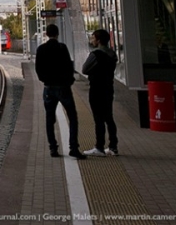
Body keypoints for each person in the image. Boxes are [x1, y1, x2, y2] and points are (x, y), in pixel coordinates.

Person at [35, 23, 86, 159]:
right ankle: (73, 148)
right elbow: (69, 66)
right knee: (73, 118)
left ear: (46, 34)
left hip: (48, 88)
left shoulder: (41, 49)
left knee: (49, 119)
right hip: (64, 88)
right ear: (57, 34)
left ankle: (53, 148)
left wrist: (45, 80)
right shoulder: (62, 48)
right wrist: (69, 81)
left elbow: (38, 69)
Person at [82, 29, 119, 156]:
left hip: (97, 88)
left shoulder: (96, 54)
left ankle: (99, 147)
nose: (91, 40)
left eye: (93, 38)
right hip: (108, 87)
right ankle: (113, 146)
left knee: (98, 118)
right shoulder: (112, 54)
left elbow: (85, 69)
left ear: (98, 40)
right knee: (109, 117)